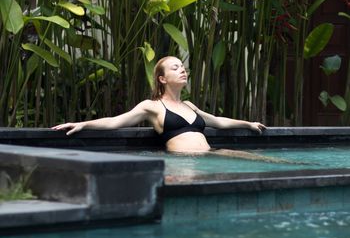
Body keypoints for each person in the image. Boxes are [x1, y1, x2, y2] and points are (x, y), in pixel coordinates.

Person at [52, 56, 284, 163]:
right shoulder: (152, 106)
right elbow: (115, 121)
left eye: (183, 67)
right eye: (176, 68)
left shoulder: (189, 105)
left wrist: (248, 124)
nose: (183, 70)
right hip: (181, 162)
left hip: (210, 155)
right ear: (162, 79)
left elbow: (217, 121)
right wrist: (83, 123)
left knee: (266, 160)